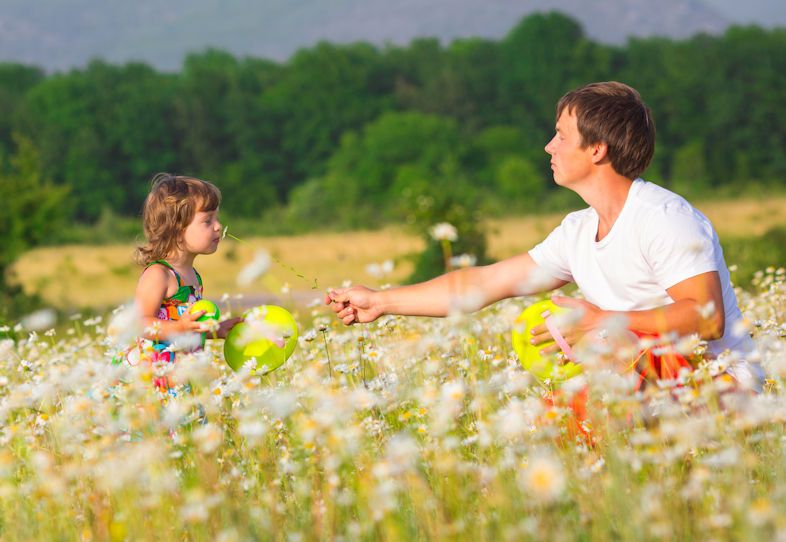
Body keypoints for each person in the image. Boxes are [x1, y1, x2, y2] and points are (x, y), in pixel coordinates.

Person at [325, 81, 764, 392]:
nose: (548, 147)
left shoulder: (664, 217)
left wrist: (603, 321)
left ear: (597, 149)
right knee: (557, 408)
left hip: (719, 388)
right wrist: (382, 301)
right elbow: (482, 284)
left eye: (560, 135)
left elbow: (707, 319)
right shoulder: (576, 231)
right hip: (645, 381)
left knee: (600, 346)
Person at [130, 172, 240, 392]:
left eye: (216, 218)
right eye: (207, 221)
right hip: (154, 378)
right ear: (176, 229)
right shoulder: (159, 274)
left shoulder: (192, 275)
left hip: (181, 377)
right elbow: (140, 323)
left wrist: (213, 330)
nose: (218, 226)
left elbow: (184, 325)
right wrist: (179, 327)